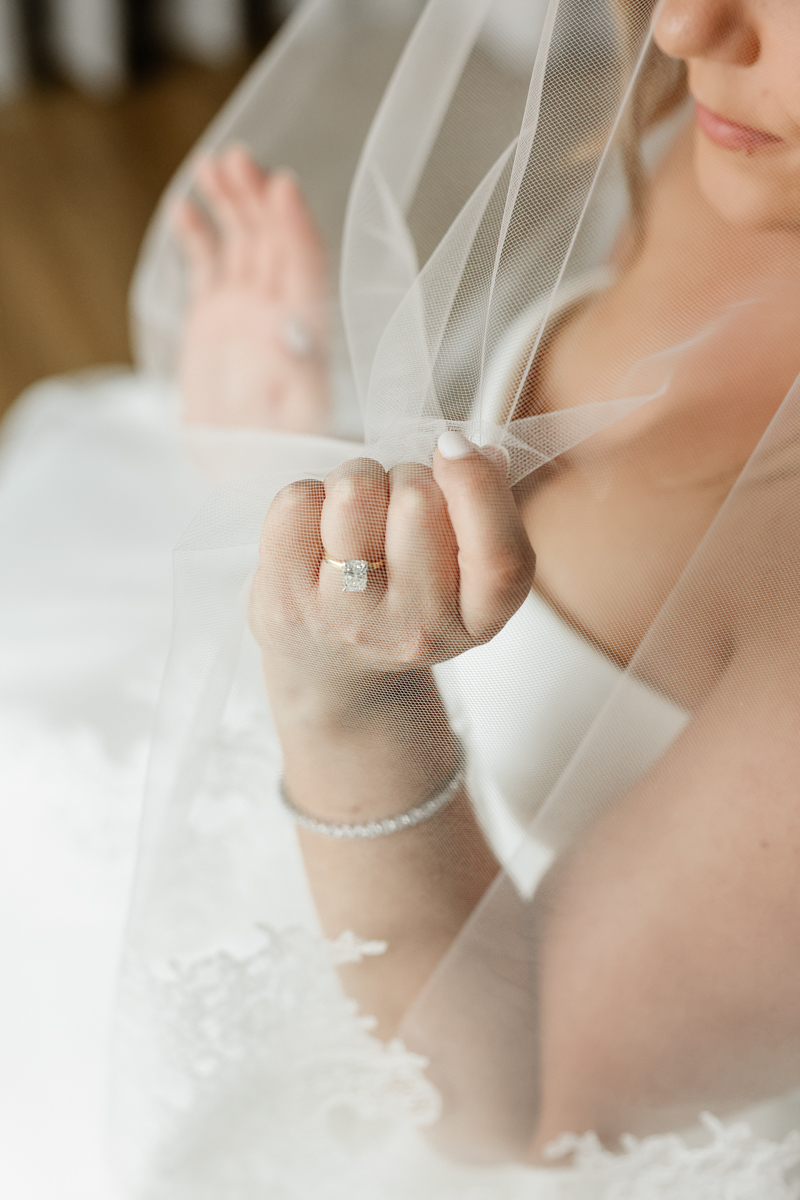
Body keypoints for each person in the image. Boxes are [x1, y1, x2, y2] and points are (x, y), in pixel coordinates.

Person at [4, 1, 800, 1198]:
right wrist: (287, 469)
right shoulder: (723, 140)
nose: (685, 27)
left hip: (453, 1059)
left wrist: (348, 707)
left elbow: (514, 1110)